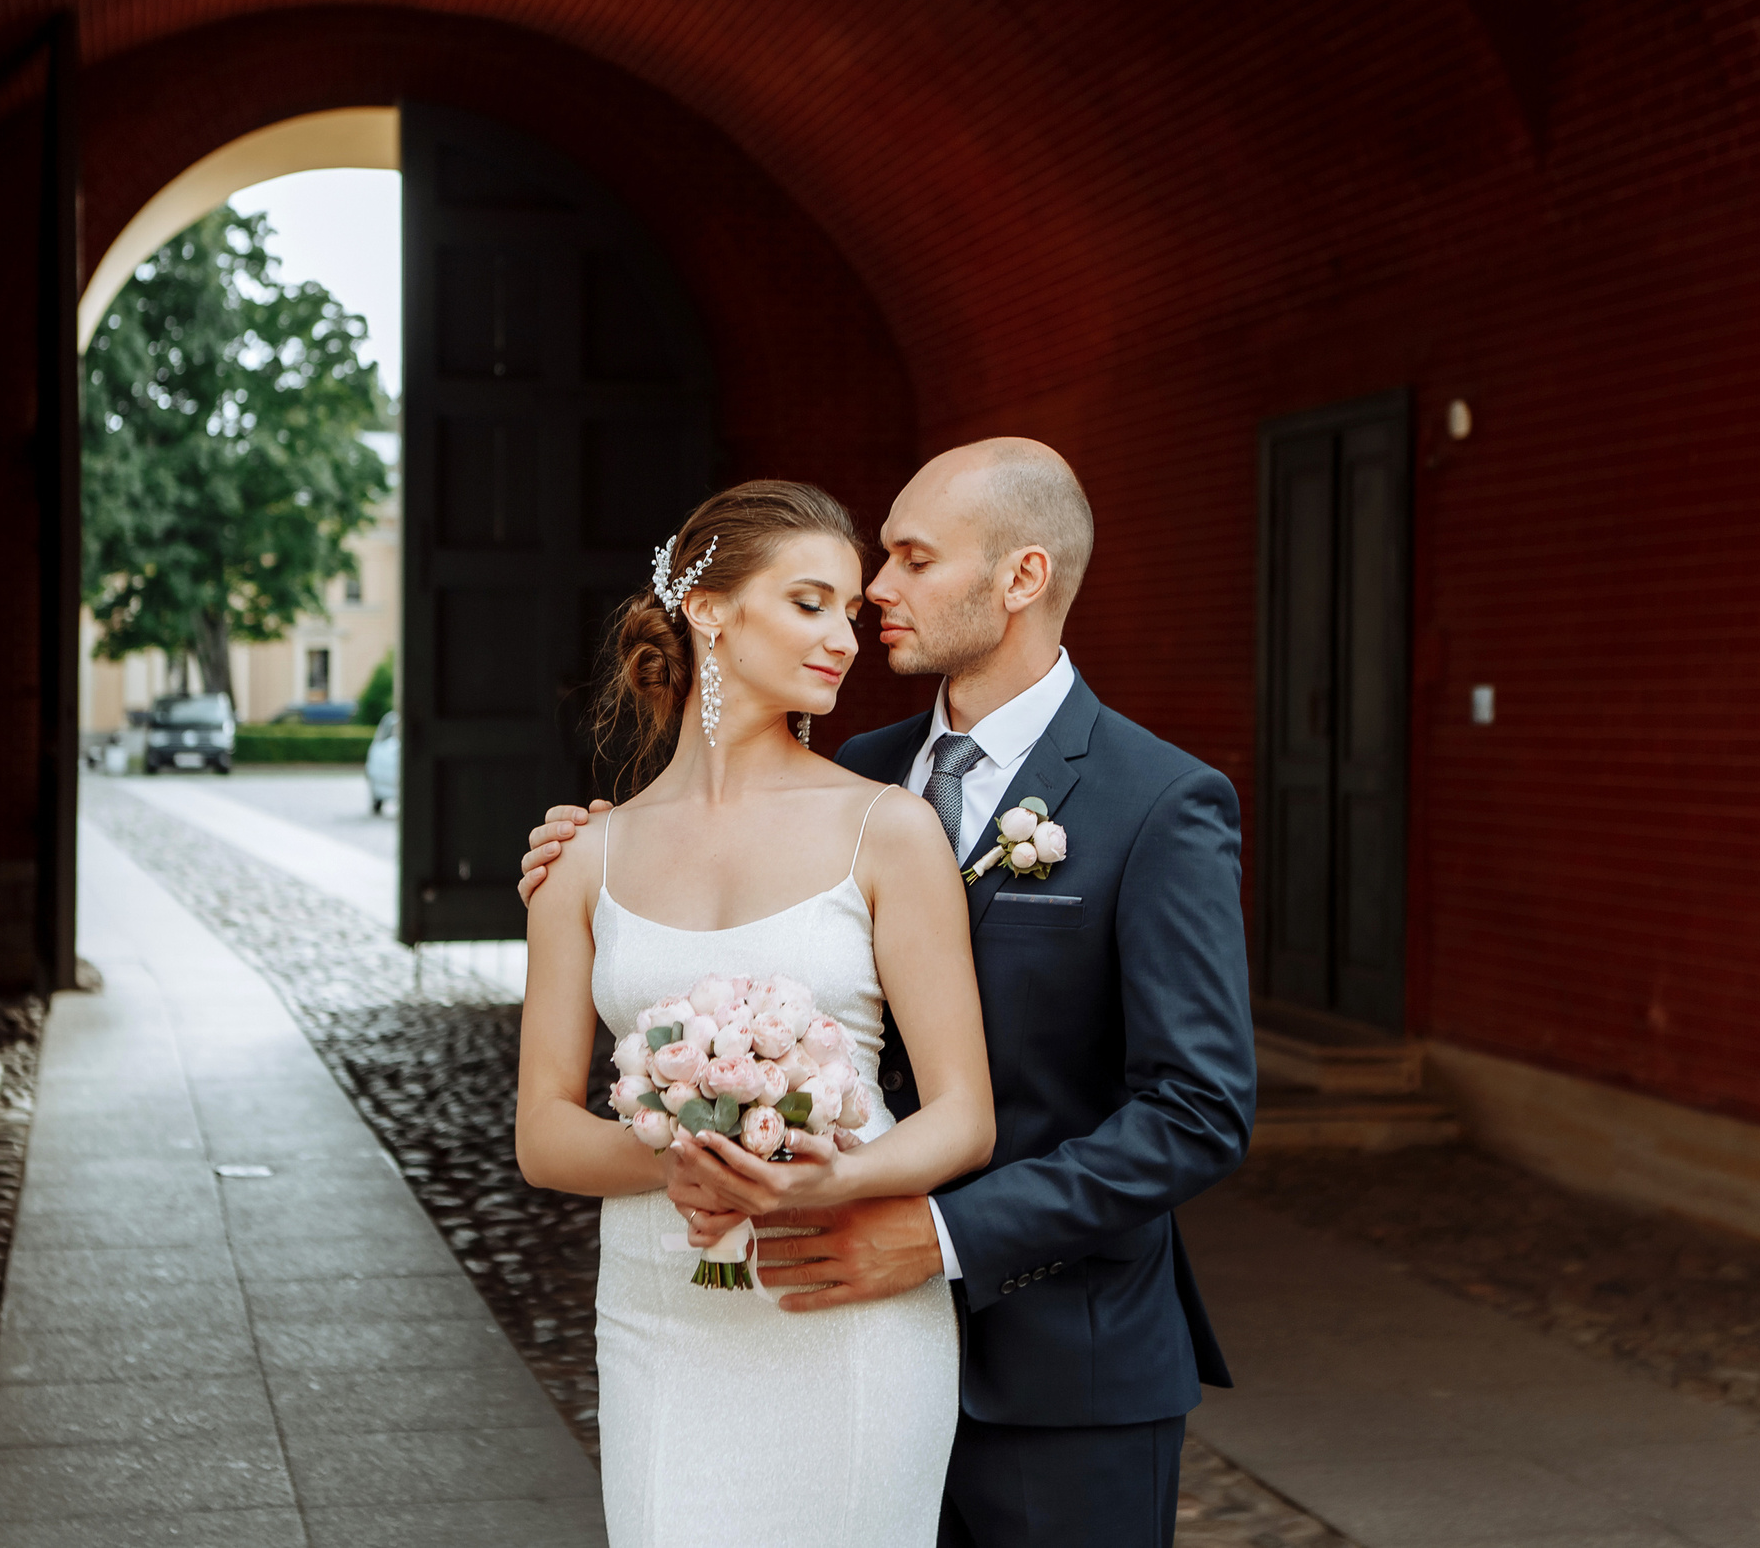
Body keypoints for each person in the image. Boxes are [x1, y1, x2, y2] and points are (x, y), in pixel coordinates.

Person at [521, 439, 1258, 1548]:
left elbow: (1196, 1111)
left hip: (1059, 1364)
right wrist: (591, 856)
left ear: (1019, 579)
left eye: (910, 560)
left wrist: (939, 1234)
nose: (875, 594)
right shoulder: (860, 770)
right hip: (782, 1312)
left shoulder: (1158, 801)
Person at [512, 479, 998, 1548]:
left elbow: (964, 1115)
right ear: (709, 609)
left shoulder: (889, 830)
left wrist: (823, 1177)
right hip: (662, 1315)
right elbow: (543, 1134)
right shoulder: (583, 858)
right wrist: (676, 1165)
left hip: (845, 1308)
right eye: (809, 603)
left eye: (849, 615)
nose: (844, 640)